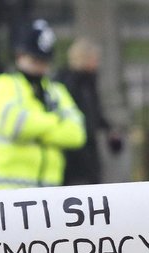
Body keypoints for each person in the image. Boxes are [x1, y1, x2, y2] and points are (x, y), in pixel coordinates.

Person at [0, 19, 85, 191]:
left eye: (44, 62)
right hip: (1, 192)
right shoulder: (3, 85)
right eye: (35, 60)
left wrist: (35, 129)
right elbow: (16, 126)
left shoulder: (56, 90)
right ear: (19, 55)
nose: (40, 67)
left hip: (45, 193)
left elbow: (77, 134)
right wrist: (55, 121)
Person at [58, 37, 123, 186]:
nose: (97, 63)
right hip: (73, 151)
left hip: (89, 146)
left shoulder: (89, 82)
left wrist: (109, 129)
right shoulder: (70, 83)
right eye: (95, 59)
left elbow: (94, 112)